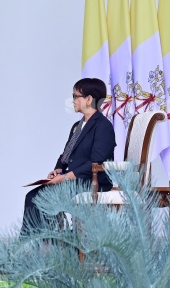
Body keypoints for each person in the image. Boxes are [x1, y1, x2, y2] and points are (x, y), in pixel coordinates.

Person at [20, 78, 116, 235]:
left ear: (89, 99)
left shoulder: (103, 126)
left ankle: (44, 244)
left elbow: (96, 162)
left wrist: (65, 178)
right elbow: (66, 154)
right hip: (75, 180)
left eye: (75, 96)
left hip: (93, 182)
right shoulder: (78, 126)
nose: (72, 100)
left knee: (39, 197)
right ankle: (41, 244)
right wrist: (58, 169)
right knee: (33, 196)